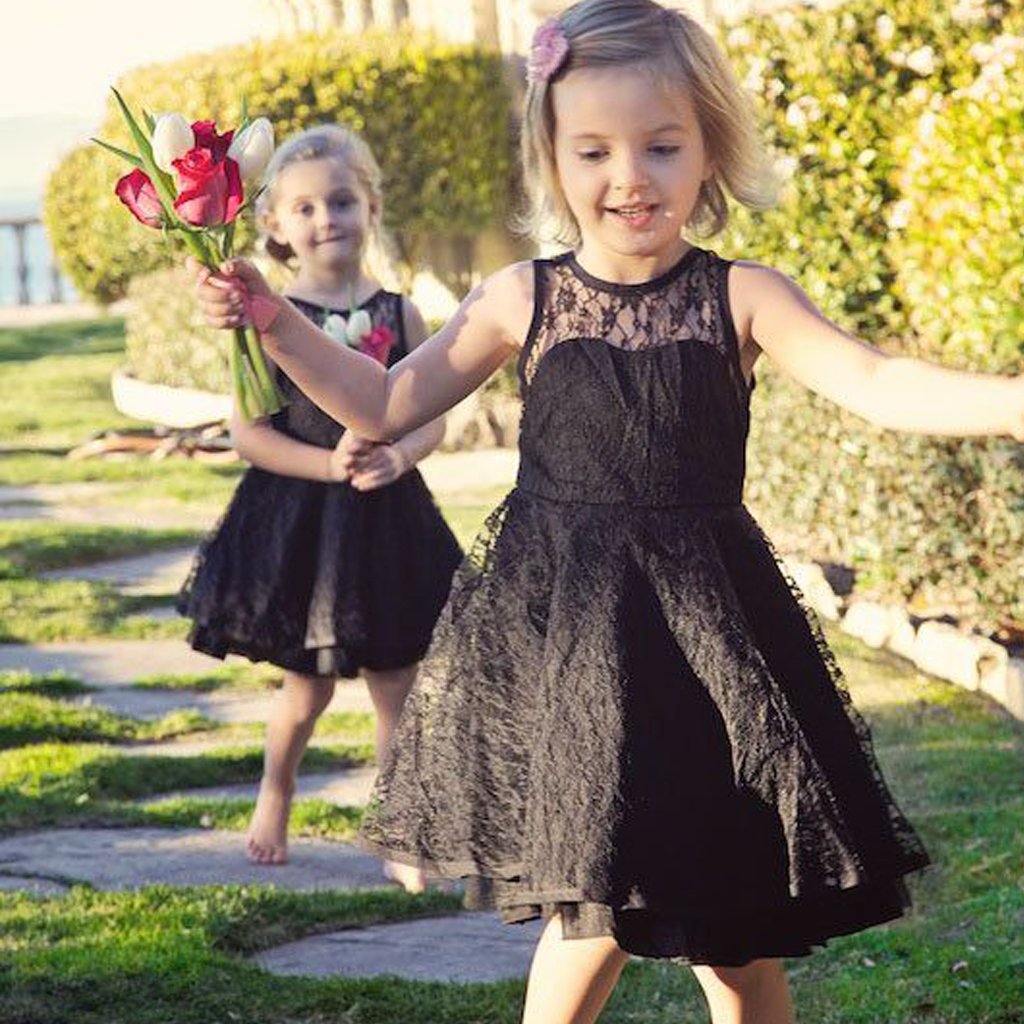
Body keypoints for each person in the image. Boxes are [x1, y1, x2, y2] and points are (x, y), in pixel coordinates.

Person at [190, 2, 1024, 1020]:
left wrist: (1011, 403)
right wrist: (272, 322)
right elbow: (379, 401)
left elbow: (881, 383)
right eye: (593, 149)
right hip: (572, 648)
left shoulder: (743, 298)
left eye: (661, 146)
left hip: (709, 651)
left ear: (708, 149)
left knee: (736, 943)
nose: (628, 175)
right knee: (590, 913)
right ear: (550, 155)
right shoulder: (519, 299)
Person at [177, 124, 462, 891]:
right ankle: (276, 790)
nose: (325, 218)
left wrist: (401, 452)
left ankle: (401, 824)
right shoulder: (262, 319)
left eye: (341, 200)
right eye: (304, 207)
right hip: (305, 526)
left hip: (389, 518)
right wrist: (327, 465)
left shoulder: (399, 313)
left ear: (370, 205)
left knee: (397, 685)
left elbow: (432, 410)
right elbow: (249, 435)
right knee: (306, 689)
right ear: (274, 226)